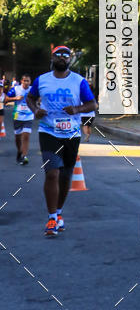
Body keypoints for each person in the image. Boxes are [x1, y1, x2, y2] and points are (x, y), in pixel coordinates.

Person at [26, 46, 96, 237]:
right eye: (59, 55)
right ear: (53, 57)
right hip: (48, 131)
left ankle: (58, 213)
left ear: (70, 60)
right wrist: (35, 111)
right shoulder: (42, 80)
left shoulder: (79, 81)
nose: (62, 58)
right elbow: (30, 98)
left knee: (66, 176)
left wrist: (77, 109)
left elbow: (93, 104)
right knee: (52, 174)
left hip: (72, 134)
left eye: (66, 55)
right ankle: (51, 218)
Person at [6, 73, 34, 164]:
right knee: (18, 137)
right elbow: (5, 99)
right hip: (17, 116)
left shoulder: (33, 90)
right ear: (21, 81)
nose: (26, 82)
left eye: (28, 81)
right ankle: (19, 151)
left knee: (26, 136)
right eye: (24, 80)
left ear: (30, 82)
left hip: (29, 116)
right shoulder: (16, 89)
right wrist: (15, 98)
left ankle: (24, 156)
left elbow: (38, 99)